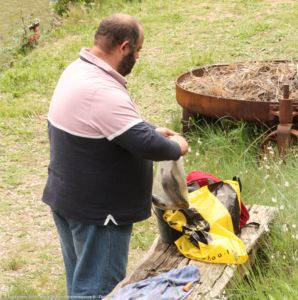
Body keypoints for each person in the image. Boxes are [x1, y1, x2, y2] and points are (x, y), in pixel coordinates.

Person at [42, 13, 188, 298]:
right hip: (99, 213)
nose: (138, 57)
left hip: (70, 200)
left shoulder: (78, 70)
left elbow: (110, 126)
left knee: (80, 284)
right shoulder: (101, 89)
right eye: (138, 51)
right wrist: (177, 146)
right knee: (98, 291)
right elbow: (149, 147)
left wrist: (146, 128)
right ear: (124, 47)